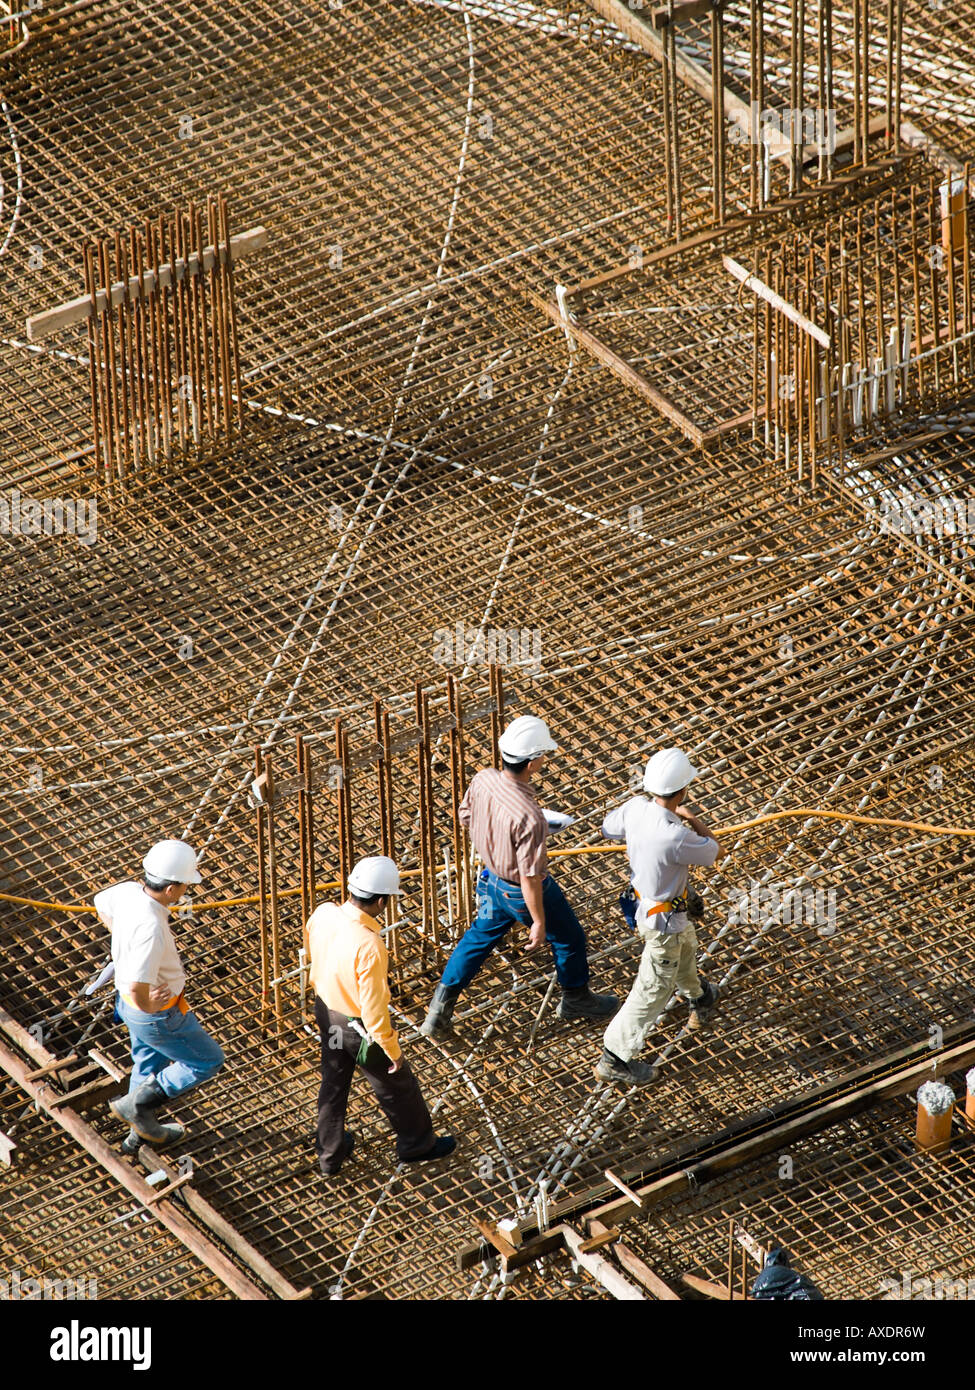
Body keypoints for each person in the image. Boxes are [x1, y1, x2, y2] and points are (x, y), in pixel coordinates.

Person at [420, 715, 617, 1038]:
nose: (545, 758)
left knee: (476, 939)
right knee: (568, 939)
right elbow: (530, 877)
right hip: (517, 891)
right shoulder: (530, 817)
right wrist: (537, 922)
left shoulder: (483, 779)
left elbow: (465, 816)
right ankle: (576, 999)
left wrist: (497, 836)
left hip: (489, 882)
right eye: (543, 754)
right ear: (531, 762)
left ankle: (438, 1010)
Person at [307, 855, 455, 1176]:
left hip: (324, 1009)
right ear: (381, 901)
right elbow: (374, 1013)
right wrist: (393, 1051)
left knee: (334, 1083)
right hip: (356, 1028)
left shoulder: (324, 914)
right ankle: (417, 1145)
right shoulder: (370, 944)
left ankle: (329, 1155)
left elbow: (313, 947)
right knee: (397, 1084)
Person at [596, 749, 720, 1088]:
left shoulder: (636, 808)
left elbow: (608, 828)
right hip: (661, 922)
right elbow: (714, 850)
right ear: (681, 792)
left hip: (647, 907)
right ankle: (614, 1058)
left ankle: (700, 995)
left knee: (685, 948)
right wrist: (691, 818)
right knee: (652, 989)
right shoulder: (676, 835)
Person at [94, 839, 224, 1149]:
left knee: (146, 1066)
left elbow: (101, 901)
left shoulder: (127, 892)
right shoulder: (150, 926)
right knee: (207, 1061)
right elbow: (139, 984)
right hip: (156, 1015)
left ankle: (138, 1136)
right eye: (184, 886)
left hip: (128, 1007)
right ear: (170, 889)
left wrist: (122, 939)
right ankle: (135, 1106)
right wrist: (149, 1004)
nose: (185, 892)